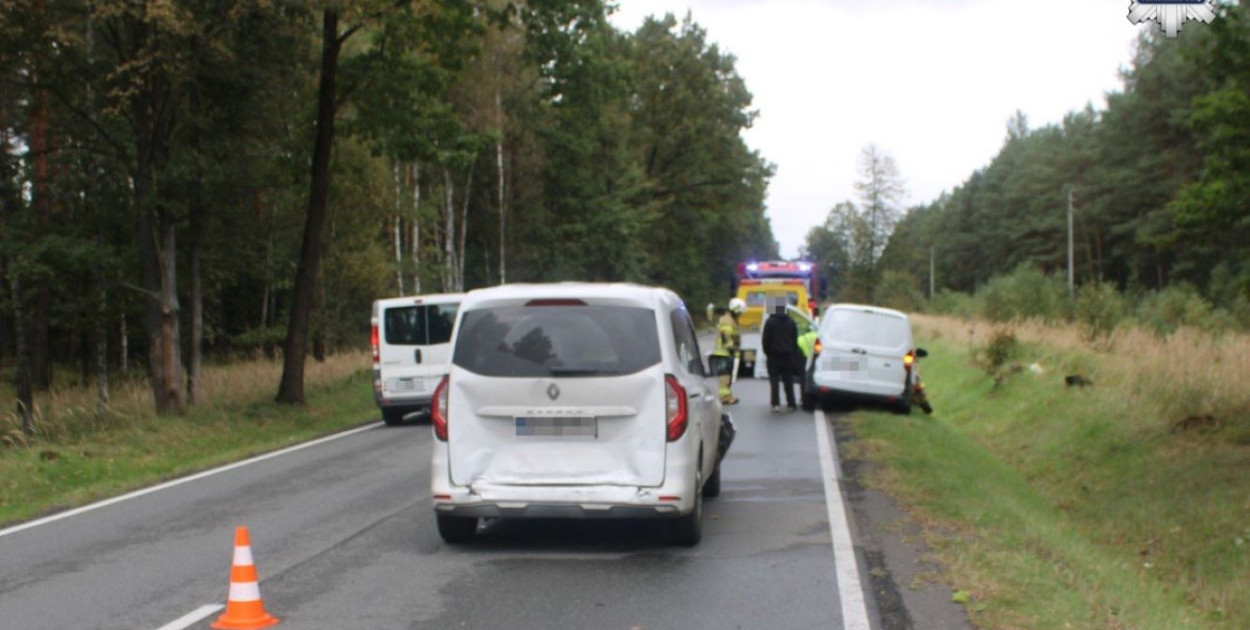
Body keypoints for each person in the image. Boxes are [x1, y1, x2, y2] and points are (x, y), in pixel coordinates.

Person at [761, 298, 798, 412]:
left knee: (774, 380)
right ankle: (791, 403)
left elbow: (765, 340)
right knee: (788, 380)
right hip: (788, 355)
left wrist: (767, 352)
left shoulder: (769, 322)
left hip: (773, 355)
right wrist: (793, 354)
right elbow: (794, 340)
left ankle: (775, 403)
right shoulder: (791, 322)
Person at [713, 299, 746, 405]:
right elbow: (726, 336)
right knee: (725, 375)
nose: (740, 315)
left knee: (728, 375)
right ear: (735, 310)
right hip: (724, 352)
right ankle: (724, 397)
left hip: (726, 351)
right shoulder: (728, 320)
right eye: (740, 312)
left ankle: (727, 395)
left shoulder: (730, 319)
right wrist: (731, 347)